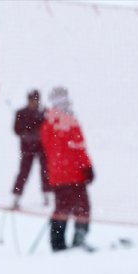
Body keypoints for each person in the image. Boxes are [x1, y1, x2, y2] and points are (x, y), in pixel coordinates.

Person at [40, 86, 95, 251]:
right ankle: (77, 238)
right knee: (81, 208)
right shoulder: (69, 122)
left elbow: (49, 149)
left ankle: (59, 242)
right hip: (74, 173)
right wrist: (87, 166)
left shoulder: (48, 123)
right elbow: (78, 147)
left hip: (60, 174)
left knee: (63, 209)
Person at [11, 89, 51, 209]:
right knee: (24, 172)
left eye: (35, 100)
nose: (33, 102)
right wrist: (27, 131)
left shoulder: (45, 112)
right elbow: (16, 130)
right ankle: (16, 197)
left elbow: (49, 129)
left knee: (45, 171)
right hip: (27, 147)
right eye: (31, 99)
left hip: (42, 147)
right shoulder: (21, 113)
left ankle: (47, 197)